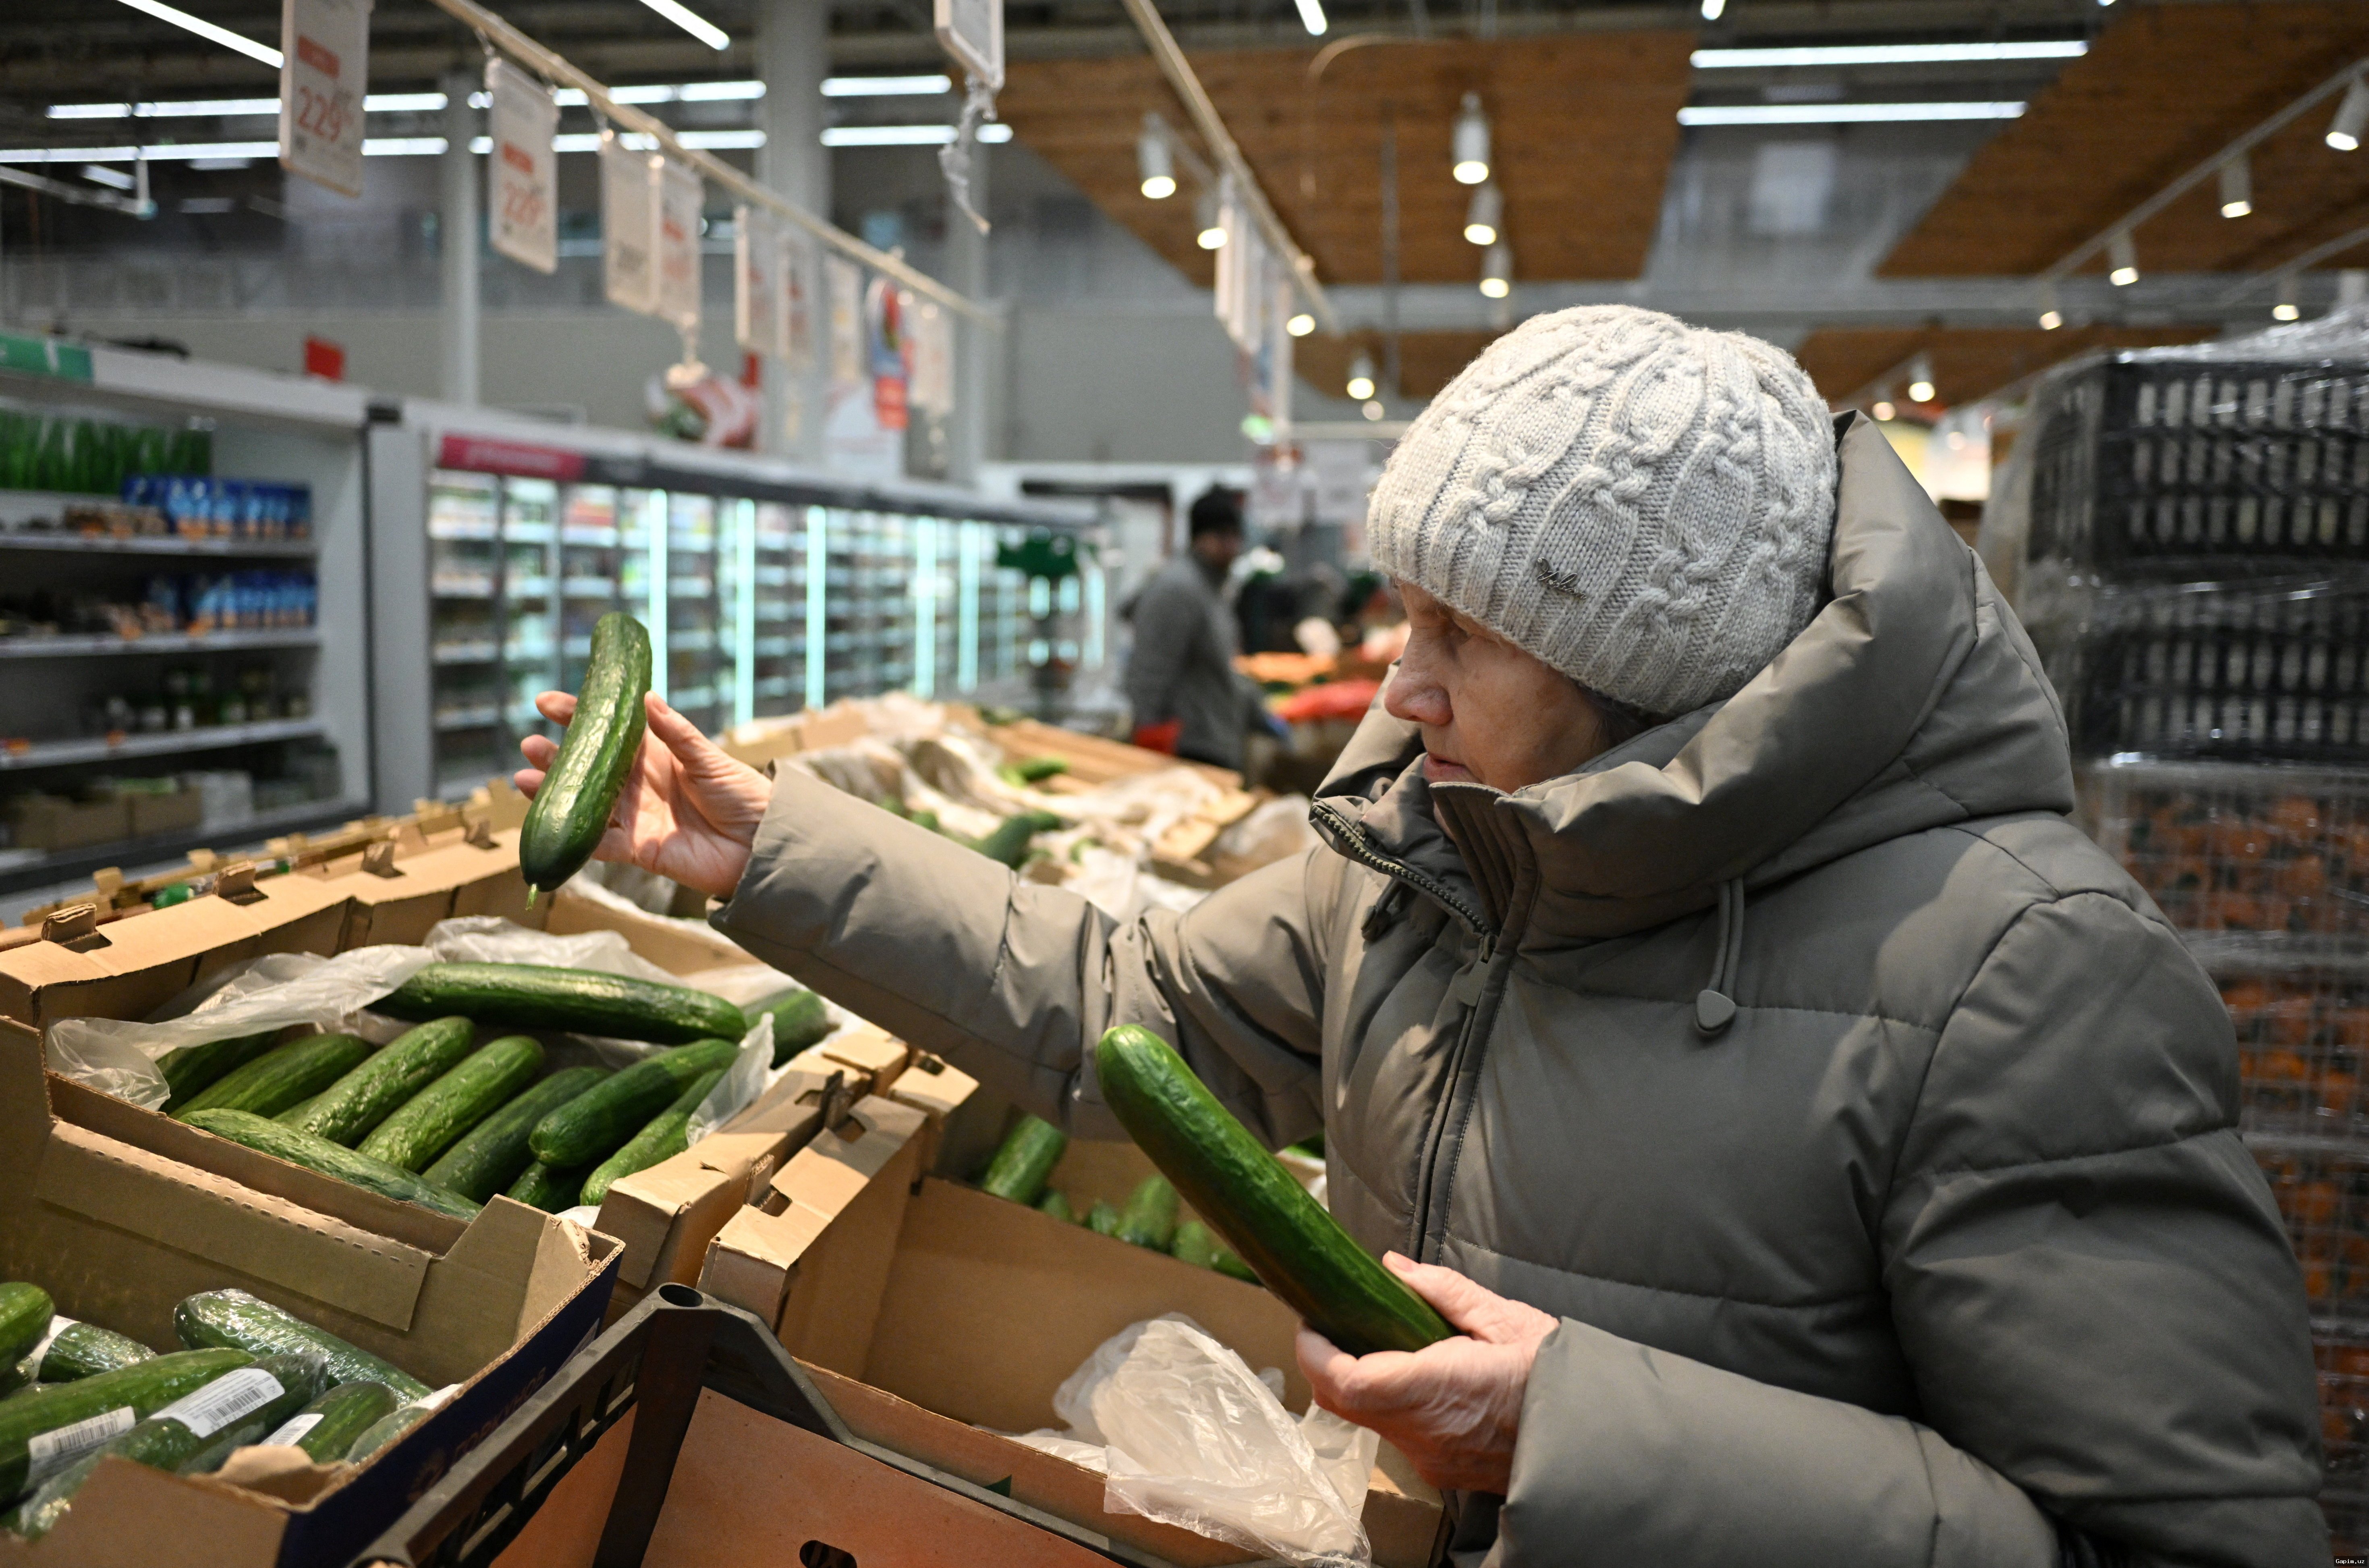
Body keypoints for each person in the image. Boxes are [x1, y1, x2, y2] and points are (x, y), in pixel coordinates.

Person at [518, 305, 2322, 1566]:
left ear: (1656, 670)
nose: (1395, 683)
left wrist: (1578, 1434)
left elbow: (2177, 1544)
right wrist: (771, 847)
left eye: (1463, 630)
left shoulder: (2031, 976)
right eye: (1403, 608)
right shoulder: (1434, 856)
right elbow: (1131, 1010)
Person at [1122, 484, 1264, 768]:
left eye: (1237, 537)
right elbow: (1151, 669)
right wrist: (1150, 737)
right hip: (1188, 746)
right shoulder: (1178, 589)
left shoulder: (1211, 587)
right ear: (1201, 538)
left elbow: (1220, 667)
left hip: (1214, 739)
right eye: (1224, 537)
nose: (1233, 548)